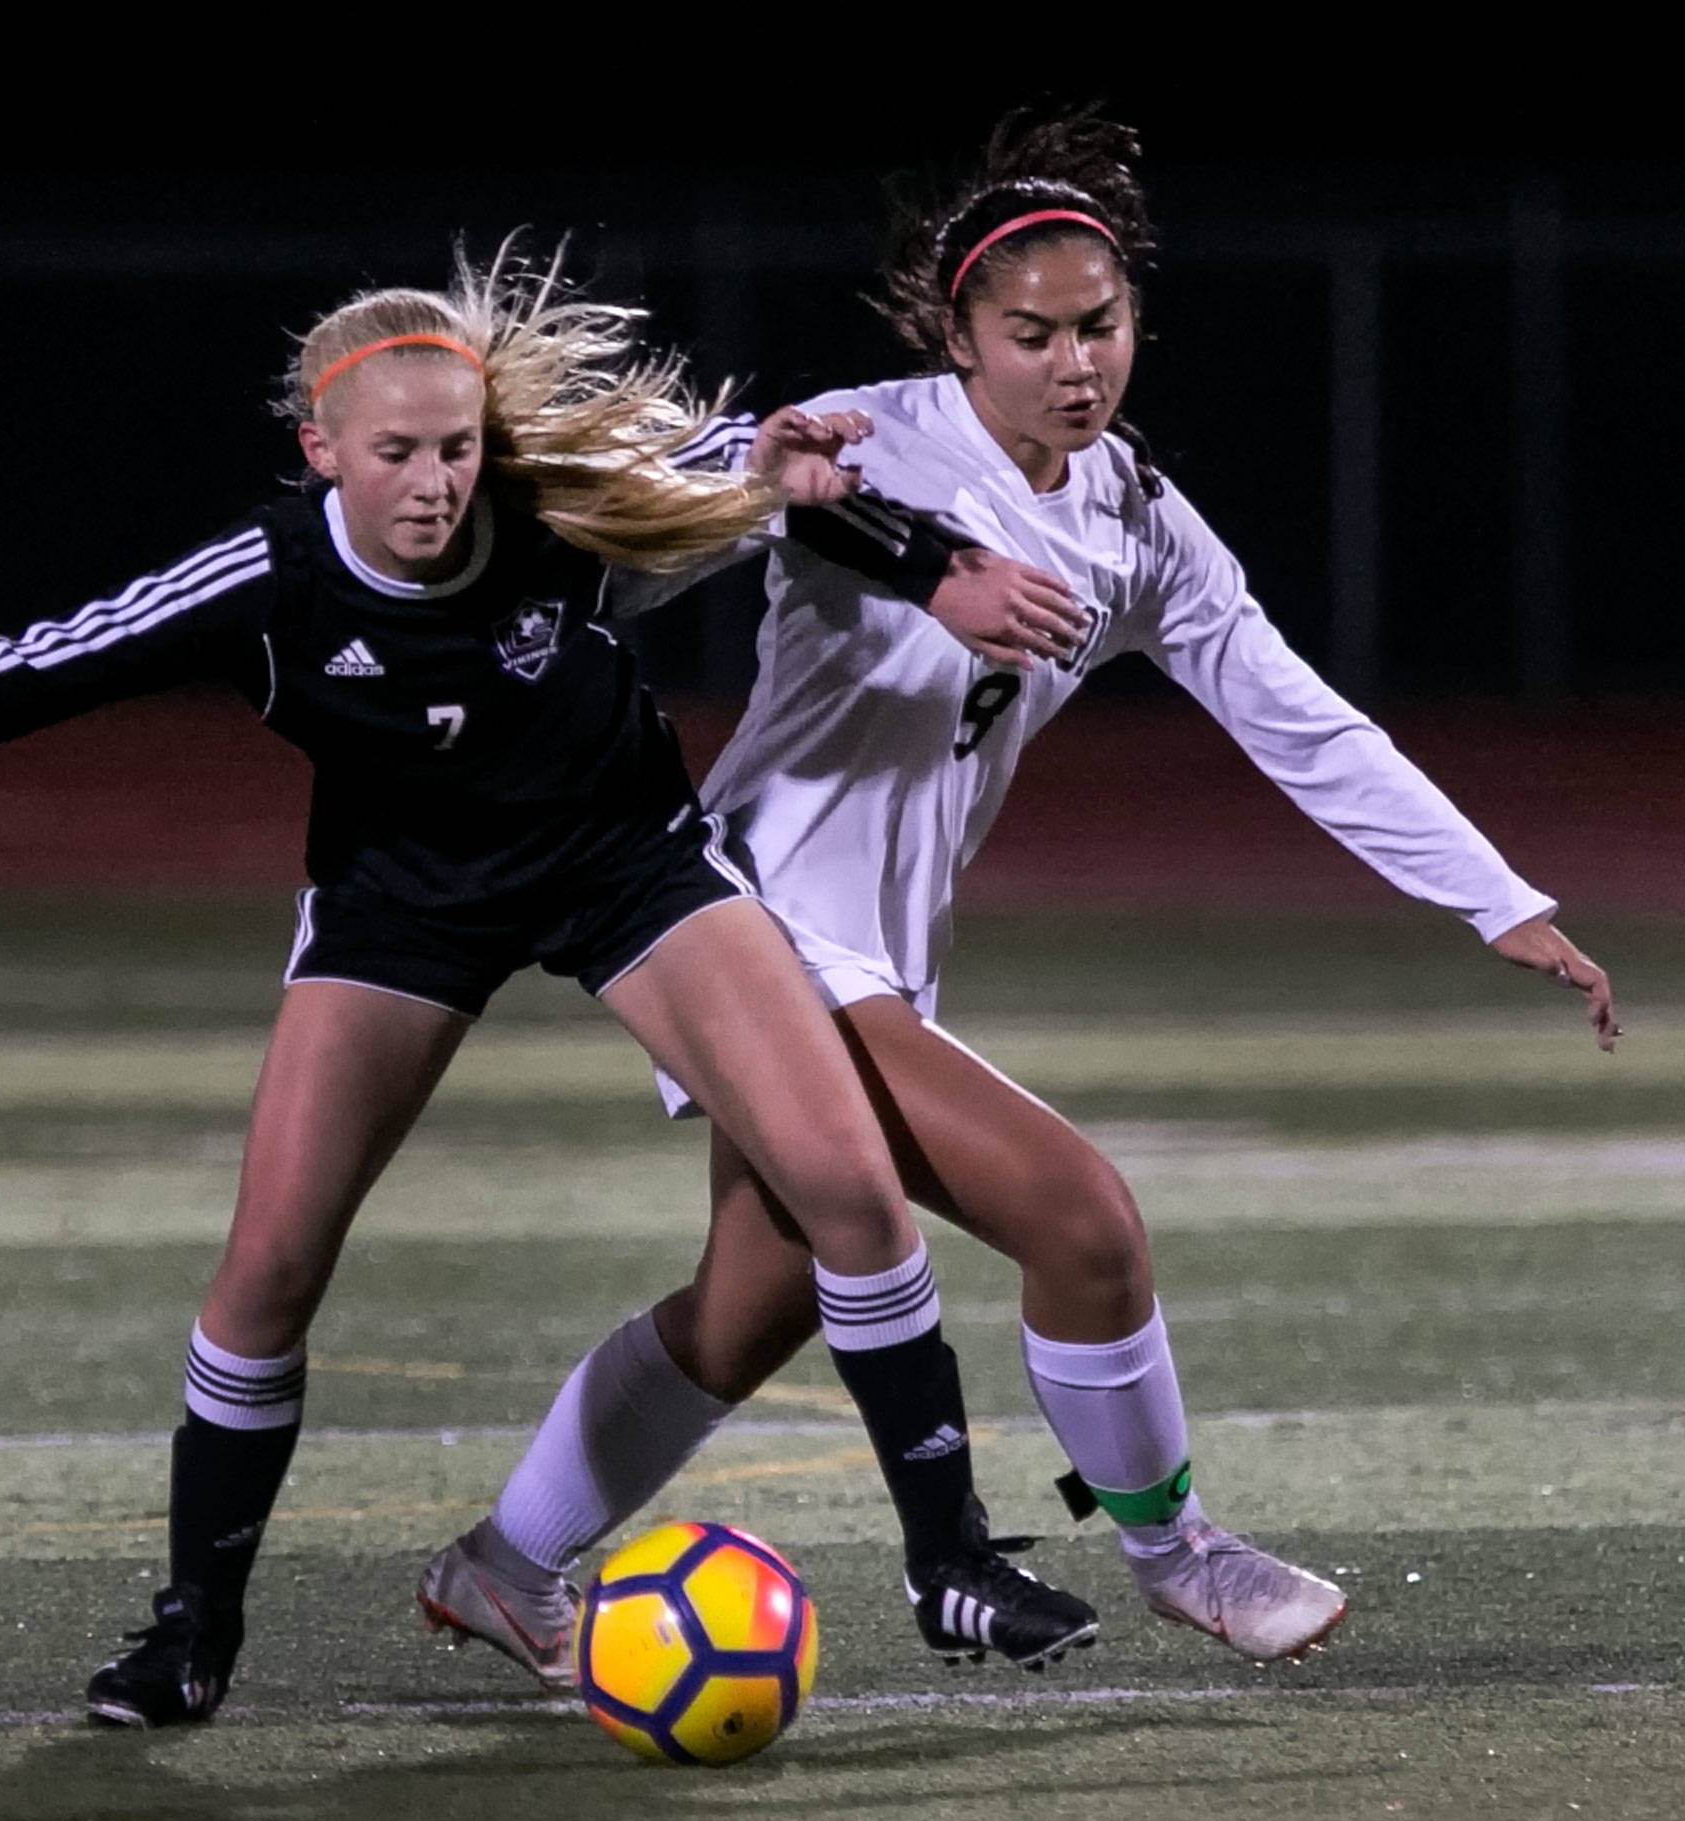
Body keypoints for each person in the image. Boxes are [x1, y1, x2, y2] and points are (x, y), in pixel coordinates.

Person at [0, 246, 1102, 1727]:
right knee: (273, 1266)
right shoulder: (270, 575)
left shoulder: (548, 500)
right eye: (398, 454)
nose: (436, 482)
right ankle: (194, 1624)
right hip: (400, 907)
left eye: (458, 447)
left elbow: (749, 469)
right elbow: (54, 658)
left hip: (624, 865)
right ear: (321, 451)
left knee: (846, 1187)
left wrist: (891, 537)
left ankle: (952, 1560)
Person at [420, 113, 1621, 1686]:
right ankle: (1175, 1549)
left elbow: (1296, 714)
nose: (1073, 363)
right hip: (742, 922)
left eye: (1099, 327)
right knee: (1082, 1218)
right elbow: (637, 541)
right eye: (1032, 333)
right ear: (960, 334)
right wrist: (825, 517)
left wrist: (1494, 897)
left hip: (874, 957)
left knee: (747, 1308)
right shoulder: (867, 438)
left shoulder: (1134, 519)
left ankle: (497, 1564)